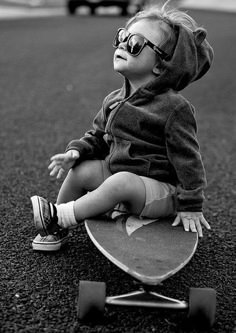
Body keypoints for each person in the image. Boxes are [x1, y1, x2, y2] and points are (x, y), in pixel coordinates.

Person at [31, 2, 214, 251]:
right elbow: (97, 135)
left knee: (122, 182)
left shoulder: (174, 108)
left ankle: (61, 214)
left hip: (159, 192)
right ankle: (55, 228)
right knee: (82, 170)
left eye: (135, 44)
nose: (122, 46)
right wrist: (77, 151)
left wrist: (191, 204)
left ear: (161, 65)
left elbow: (188, 159)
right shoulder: (115, 99)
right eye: (122, 37)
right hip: (122, 178)